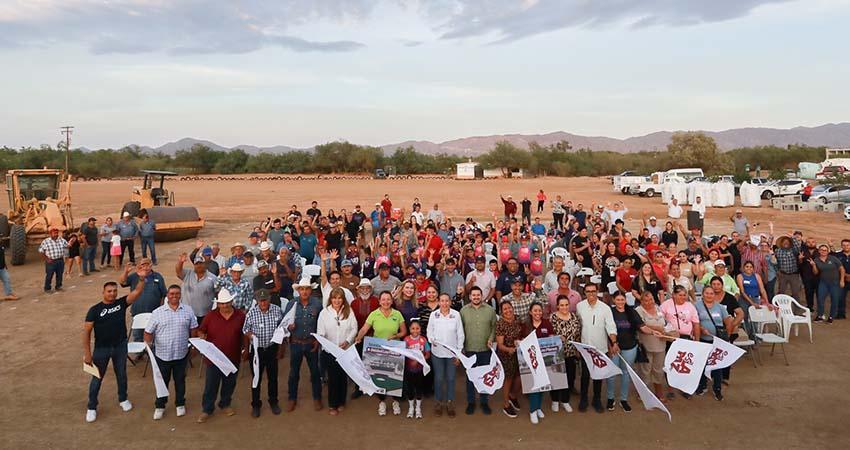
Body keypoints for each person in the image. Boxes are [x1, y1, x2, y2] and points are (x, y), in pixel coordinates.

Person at [83, 278, 146, 423]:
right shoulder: (94, 310)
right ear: (103, 292)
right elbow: (86, 333)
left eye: (115, 291)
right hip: (101, 349)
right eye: (109, 291)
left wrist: (142, 279)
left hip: (120, 346)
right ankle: (92, 407)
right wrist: (87, 354)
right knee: (97, 379)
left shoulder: (121, 303)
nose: (112, 294)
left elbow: (137, 292)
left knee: (122, 374)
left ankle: (123, 398)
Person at [144, 285, 198, 420]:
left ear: (180, 295)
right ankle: (160, 406)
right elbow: (148, 332)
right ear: (167, 295)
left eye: (177, 293)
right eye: (172, 293)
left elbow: (193, 329)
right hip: (162, 355)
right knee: (162, 382)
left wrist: (193, 346)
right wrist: (149, 348)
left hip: (181, 354)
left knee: (180, 381)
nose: (174, 296)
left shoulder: (188, 310)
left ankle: (180, 404)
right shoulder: (157, 312)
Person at [354, 290, 408, 416]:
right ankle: (382, 402)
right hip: (378, 351)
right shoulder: (374, 314)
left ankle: (395, 402)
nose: (386, 302)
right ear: (379, 301)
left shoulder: (397, 314)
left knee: (395, 378)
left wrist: (396, 336)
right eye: (383, 299)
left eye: (388, 299)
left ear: (392, 300)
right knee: (379, 377)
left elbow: (404, 332)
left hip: (395, 350)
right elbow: (364, 329)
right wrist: (359, 336)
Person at [197, 289, 247, 423]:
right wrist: (202, 337)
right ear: (218, 304)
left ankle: (225, 404)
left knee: (229, 383)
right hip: (214, 357)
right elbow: (201, 330)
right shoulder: (210, 316)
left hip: (233, 355)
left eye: (227, 303)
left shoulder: (240, 316)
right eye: (222, 303)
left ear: (231, 301)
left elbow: (244, 334)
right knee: (211, 385)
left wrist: (246, 350)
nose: (224, 306)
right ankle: (207, 409)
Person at [606, 292, 655, 412]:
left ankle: (623, 399)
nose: (620, 302)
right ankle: (610, 398)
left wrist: (654, 332)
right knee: (611, 373)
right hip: (614, 347)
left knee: (626, 373)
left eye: (622, 300)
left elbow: (642, 327)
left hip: (630, 347)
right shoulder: (610, 312)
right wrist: (610, 344)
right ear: (613, 300)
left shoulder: (631, 311)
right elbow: (605, 329)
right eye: (617, 300)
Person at [283, 277, 324, 412]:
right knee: (294, 373)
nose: (304, 291)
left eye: (307, 289)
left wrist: (318, 340)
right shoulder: (291, 304)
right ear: (298, 290)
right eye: (302, 289)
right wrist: (290, 327)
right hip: (295, 343)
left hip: (311, 343)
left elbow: (321, 323)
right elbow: (284, 324)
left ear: (310, 290)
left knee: (315, 372)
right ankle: (292, 398)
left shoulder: (317, 304)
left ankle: (317, 397)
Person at [575, 283, 617, 413]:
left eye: (593, 291)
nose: (591, 294)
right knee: (585, 375)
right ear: (584, 293)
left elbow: (610, 326)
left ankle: (597, 399)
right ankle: (583, 398)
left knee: (598, 376)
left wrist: (614, 342)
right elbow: (578, 326)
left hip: (600, 348)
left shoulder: (605, 308)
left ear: (597, 291)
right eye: (588, 291)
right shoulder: (579, 306)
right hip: (585, 348)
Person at [317, 287, 358, 416]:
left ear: (343, 299)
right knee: (332, 378)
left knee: (342, 377)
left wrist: (347, 341)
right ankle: (332, 404)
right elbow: (320, 332)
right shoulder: (324, 313)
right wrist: (327, 343)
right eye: (334, 298)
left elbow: (354, 328)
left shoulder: (349, 311)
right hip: (330, 351)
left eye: (339, 298)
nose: (337, 300)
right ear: (331, 299)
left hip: (345, 350)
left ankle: (341, 402)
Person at [243, 289, 284, 417]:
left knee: (273, 378)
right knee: (256, 379)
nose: (263, 302)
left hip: (271, 349)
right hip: (257, 350)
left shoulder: (277, 310)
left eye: (265, 299)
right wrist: (251, 336)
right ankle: (256, 404)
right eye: (261, 300)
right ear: (257, 301)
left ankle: (273, 401)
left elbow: (281, 328)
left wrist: (281, 348)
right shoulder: (251, 313)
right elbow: (245, 330)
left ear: (269, 299)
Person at [460, 285, 497, 416]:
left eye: (478, 295)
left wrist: (491, 338)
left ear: (482, 296)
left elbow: (494, 327)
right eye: (473, 295)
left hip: (485, 349)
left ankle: (484, 402)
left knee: (485, 376)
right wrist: (461, 348)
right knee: (470, 378)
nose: (476, 297)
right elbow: (460, 330)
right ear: (470, 297)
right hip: (469, 349)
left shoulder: (490, 310)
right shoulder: (463, 311)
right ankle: (471, 402)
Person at [427, 292, 464, 418]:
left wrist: (459, 353)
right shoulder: (434, 315)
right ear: (438, 302)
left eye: (446, 301)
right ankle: (438, 402)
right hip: (437, 353)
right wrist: (431, 339)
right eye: (442, 301)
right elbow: (429, 330)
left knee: (451, 378)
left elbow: (460, 334)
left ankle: (450, 402)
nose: (444, 303)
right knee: (438, 378)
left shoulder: (456, 315)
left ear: (450, 302)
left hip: (452, 353)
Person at [635, 291, 674, 403]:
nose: (649, 302)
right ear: (641, 301)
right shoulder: (638, 311)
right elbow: (641, 325)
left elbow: (665, 324)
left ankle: (658, 391)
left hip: (660, 345)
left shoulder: (658, 308)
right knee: (645, 370)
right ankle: (643, 392)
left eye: (651, 299)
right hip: (645, 345)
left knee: (659, 369)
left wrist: (667, 330)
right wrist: (659, 328)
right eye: (646, 300)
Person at [695, 287, 732, 401]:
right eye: (707, 293)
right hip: (703, 339)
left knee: (717, 366)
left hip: (717, 341)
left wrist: (727, 337)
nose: (709, 295)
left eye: (711, 293)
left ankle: (717, 389)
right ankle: (702, 385)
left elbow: (728, 321)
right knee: (702, 364)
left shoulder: (720, 307)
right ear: (703, 294)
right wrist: (701, 329)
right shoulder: (697, 306)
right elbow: (695, 321)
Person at [120, 258, 167, 342]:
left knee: (154, 337)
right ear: (139, 266)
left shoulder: (158, 276)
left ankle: (152, 353)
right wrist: (126, 272)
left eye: (147, 264)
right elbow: (122, 282)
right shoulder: (134, 276)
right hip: (137, 313)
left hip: (154, 314)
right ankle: (140, 354)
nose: (145, 267)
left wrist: (161, 310)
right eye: (143, 264)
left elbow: (163, 294)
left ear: (151, 265)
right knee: (138, 337)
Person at [550, 295, 581, 413]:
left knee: (569, 378)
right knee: (556, 377)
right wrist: (557, 337)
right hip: (556, 353)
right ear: (557, 306)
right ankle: (555, 400)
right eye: (562, 305)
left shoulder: (574, 317)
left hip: (571, 353)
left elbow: (577, 334)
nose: (564, 307)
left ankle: (565, 400)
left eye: (566, 305)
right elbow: (549, 334)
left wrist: (578, 349)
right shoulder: (552, 317)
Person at [495, 300, 523, 418]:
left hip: (519, 353)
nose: (508, 310)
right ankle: (506, 404)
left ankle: (513, 396)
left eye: (509, 308)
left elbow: (521, 333)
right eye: (505, 309)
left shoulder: (517, 319)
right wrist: (509, 349)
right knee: (508, 379)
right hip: (506, 355)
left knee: (520, 378)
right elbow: (500, 344)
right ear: (501, 312)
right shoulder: (500, 324)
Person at [176, 253, 217, 324]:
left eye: (201, 263)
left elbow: (217, 293)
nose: (199, 266)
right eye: (197, 264)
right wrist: (181, 262)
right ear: (194, 265)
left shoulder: (213, 278)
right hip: (187, 313)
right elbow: (178, 271)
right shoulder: (187, 273)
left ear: (205, 264)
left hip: (205, 314)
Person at [810, 244, 846, 323]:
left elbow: (842, 269)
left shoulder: (833, 258)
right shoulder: (816, 260)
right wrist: (813, 265)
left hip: (835, 283)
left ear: (828, 251)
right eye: (821, 250)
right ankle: (820, 316)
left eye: (825, 250)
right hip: (823, 282)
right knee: (820, 299)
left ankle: (831, 317)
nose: (823, 251)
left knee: (834, 300)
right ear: (819, 251)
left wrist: (842, 280)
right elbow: (815, 273)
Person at [403, 319, 431, 419]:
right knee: (410, 389)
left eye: (417, 328)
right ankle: (411, 407)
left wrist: (419, 359)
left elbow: (428, 354)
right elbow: (403, 354)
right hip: (409, 369)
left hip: (419, 370)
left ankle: (418, 408)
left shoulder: (423, 340)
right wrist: (411, 359)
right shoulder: (406, 340)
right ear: (409, 329)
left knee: (419, 388)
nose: (415, 330)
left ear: (420, 329)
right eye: (413, 328)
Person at [38, 227, 68, 293]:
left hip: (60, 260)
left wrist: (71, 242)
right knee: (49, 275)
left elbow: (67, 246)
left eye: (57, 233)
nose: (56, 234)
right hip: (51, 261)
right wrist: (47, 259)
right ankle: (47, 288)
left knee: (60, 274)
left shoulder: (61, 240)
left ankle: (58, 286)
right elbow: (41, 251)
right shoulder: (46, 241)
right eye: (54, 233)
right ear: (50, 234)